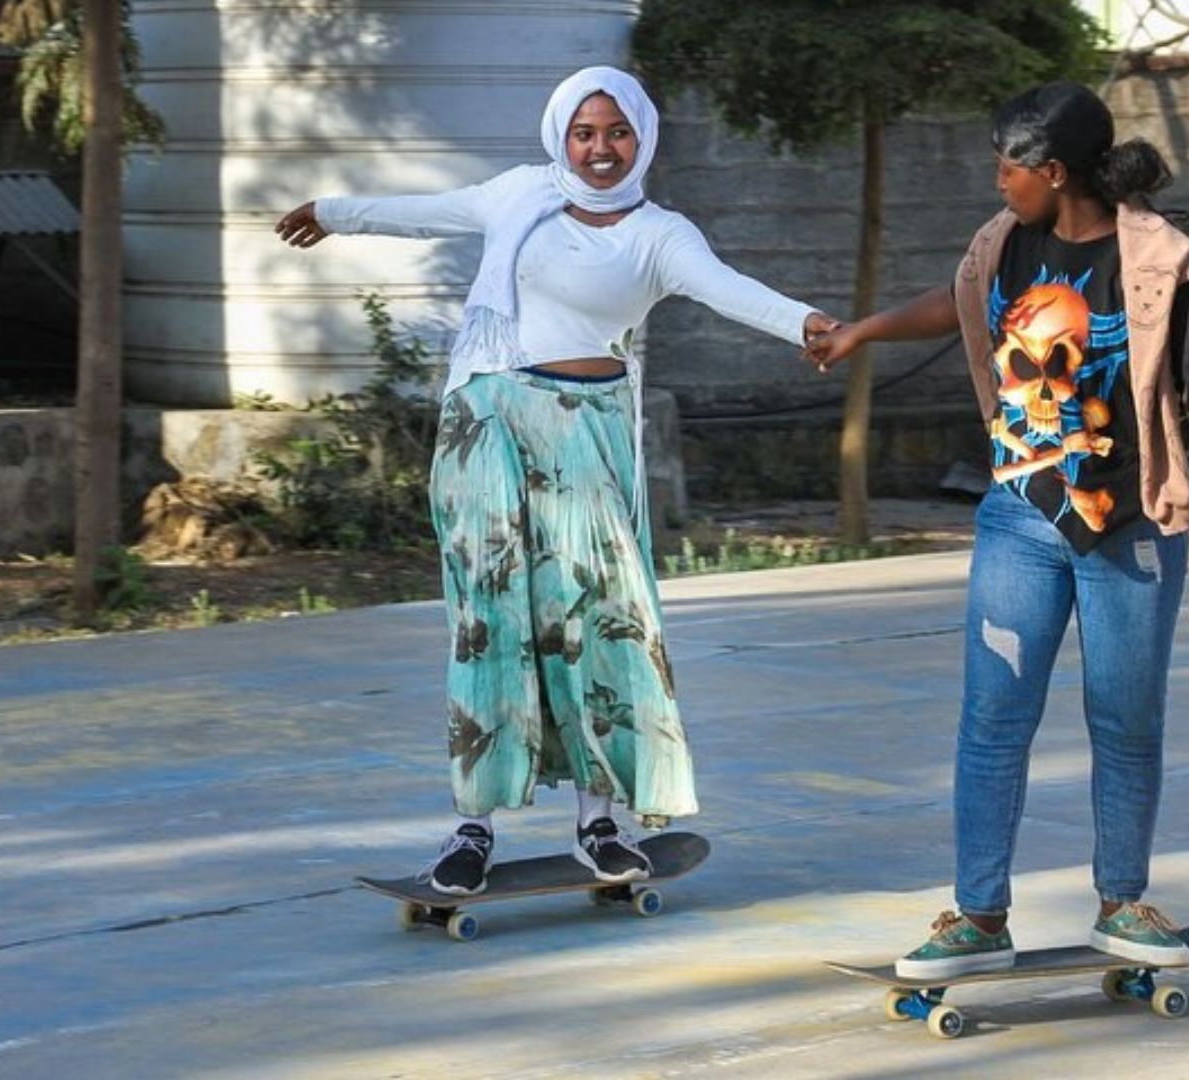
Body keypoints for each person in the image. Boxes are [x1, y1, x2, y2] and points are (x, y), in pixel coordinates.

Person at [804, 81, 1189, 978]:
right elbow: (957, 300)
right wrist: (861, 334)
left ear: (1053, 170)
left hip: (1131, 526)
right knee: (993, 719)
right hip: (1017, 519)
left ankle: (1124, 901)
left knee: (1124, 719)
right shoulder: (1003, 244)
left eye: (1008, 164)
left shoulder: (1154, 263)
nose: (996, 179)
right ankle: (977, 915)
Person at [276, 67, 837, 897]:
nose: (601, 149)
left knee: (597, 619)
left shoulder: (660, 234)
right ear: (559, 137)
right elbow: (424, 212)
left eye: (616, 132)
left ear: (642, 136)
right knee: (487, 622)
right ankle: (473, 827)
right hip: (487, 418)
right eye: (585, 133)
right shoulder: (517, 195)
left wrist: (808, 323)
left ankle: (596, 822)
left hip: (587, 430)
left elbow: (730, 291)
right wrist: (331, 211)